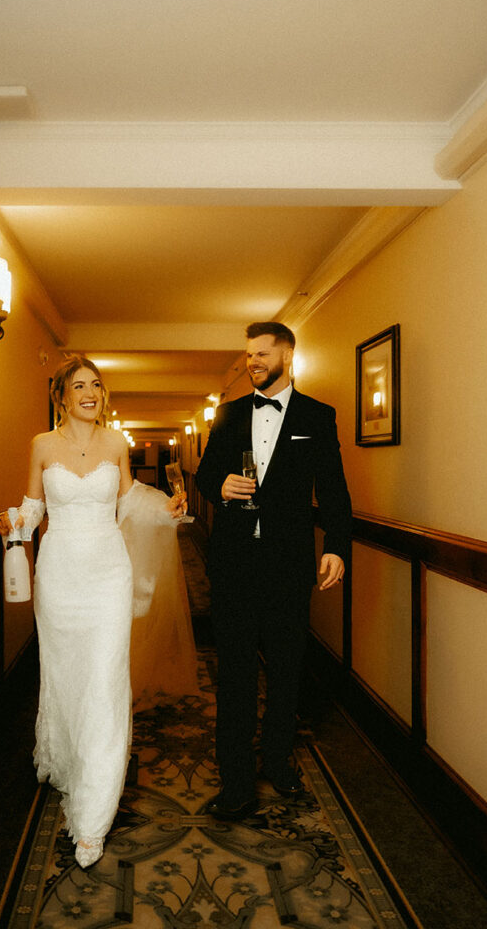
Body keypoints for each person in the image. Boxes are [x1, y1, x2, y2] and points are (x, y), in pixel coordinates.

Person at [0, 356, 188, 868]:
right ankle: (63, 756)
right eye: (78, 385)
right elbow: (33, 508)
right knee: (66, 676)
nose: (89, 392)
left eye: (96, 386)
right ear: (61, 395)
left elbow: (126, 501)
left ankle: (92, 818)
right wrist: (15, 520)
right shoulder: (42, 444)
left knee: (106, 682)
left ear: (104, 396)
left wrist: (163, 509)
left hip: (109, 575)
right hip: (59, 576)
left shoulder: (115, 444)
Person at [195, 322, 352, 821]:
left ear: (288, 353)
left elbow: (333, 489)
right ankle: (236, 781)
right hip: (234, 564)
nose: (252, 362)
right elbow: (203, 473)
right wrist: (220, 486)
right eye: (248, 355)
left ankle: (279, 762)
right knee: (236, 675)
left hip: (288, 566)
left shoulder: (317, 417)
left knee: (287, 669)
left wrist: (337, 546)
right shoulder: (229, 413)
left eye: (262, 353)